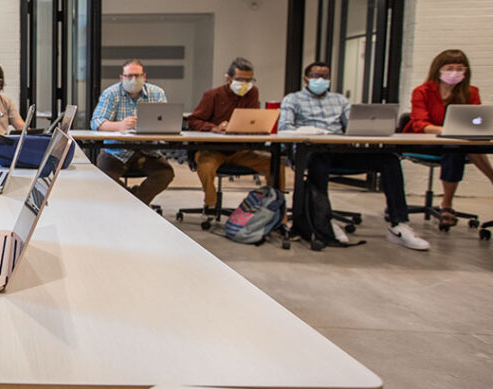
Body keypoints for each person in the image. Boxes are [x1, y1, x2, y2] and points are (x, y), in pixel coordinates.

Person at [279, 61, 429, 250]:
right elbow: (284, 129)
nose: (321, 80)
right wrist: (314, 133)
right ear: (306, 79)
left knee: (389, 160)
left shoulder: (340, 100)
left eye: (325, 76)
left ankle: (399, 224)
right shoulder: (293, 99)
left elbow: (353, 126)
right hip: (311, 152)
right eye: (316, 76)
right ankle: (323, 220)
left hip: (339, 150)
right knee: (319, 159)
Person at [405, 49, 493, 227]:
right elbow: (420, 124)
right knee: (457, 148)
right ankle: (447, 204)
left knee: (458, 148)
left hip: (456, 143)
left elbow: (476, 119)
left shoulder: (470, 92)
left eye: (460, 68)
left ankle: (447, 203)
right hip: (424, 141)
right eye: (450, 68)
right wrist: (446, 130)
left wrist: (468, 129)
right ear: (439, 69)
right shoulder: (422, 91)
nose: (455, 73)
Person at [187, 57, 283, 209]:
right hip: (212, 150)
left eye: (249, 80)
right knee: (205, 167)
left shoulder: (253, 93)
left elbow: (251, 118)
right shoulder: (213, 95)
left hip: (240, 151)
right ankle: (210, 205)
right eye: (240, 80)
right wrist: (214, 128)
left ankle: (276, 207)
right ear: (228, 79)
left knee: (274, 164)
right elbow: (193, 121)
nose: (244, 84)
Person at [89, 59, 174, 205]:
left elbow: (164, 121)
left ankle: (133, 202)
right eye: (129, 76)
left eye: (137, 75)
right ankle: (136, 203)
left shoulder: (157, 93)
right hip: (116, 150)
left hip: (148, 150)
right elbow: (96, 122)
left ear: (144, 76)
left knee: (165, 174)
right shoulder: (111, 93)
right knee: (103, 175)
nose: (133, 80)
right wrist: (119, 125)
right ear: (122, 77)